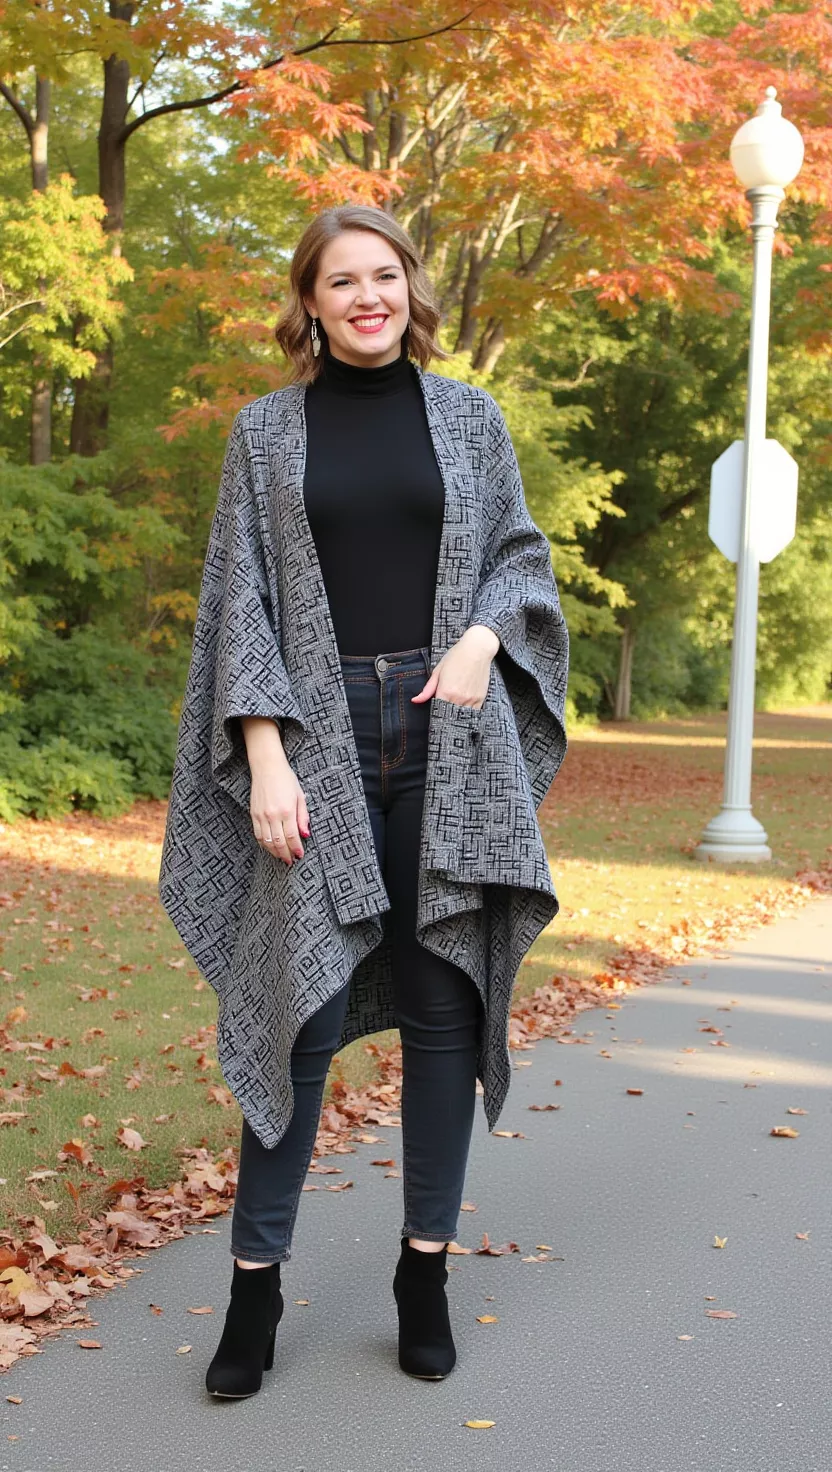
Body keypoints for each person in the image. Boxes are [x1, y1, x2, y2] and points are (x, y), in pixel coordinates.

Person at [159, 204, 569, 1400]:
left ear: (409, 289)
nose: (365, 296)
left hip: (449, 730)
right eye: (340, 280)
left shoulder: (469, 416)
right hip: (316, 734)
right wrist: (267, 752)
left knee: (444, 1003)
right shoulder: (264, 434)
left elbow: (520, 556)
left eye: (382, 274)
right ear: (311, 302)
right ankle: (254, 1284)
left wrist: (489, 638)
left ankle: (423, 1270)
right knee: (298, 1012)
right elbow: (240, 602)